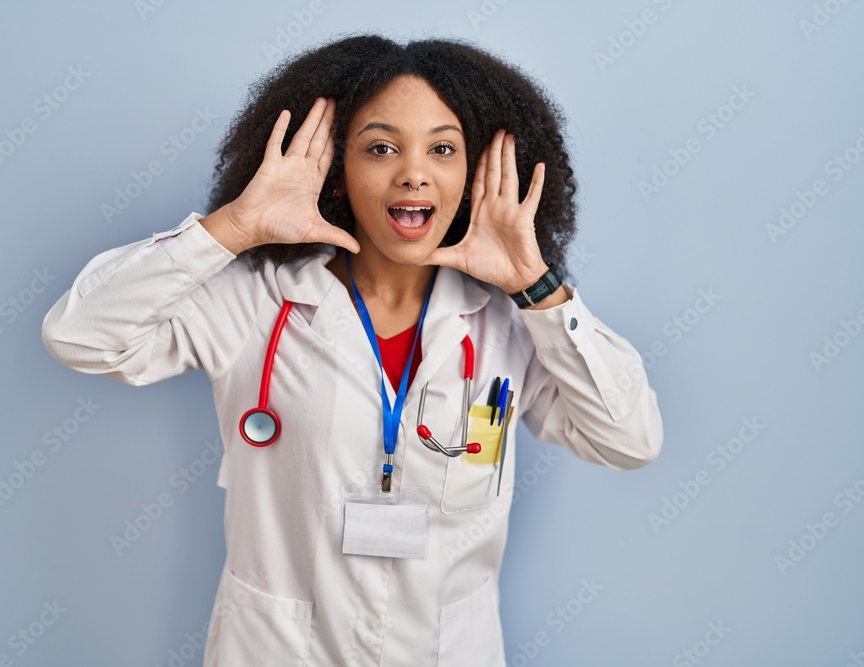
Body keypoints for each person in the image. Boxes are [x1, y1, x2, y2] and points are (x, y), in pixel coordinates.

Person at [41, 33, 663, 667]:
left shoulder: (511, 323)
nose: (413, 172)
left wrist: (539, 288)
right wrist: (234, 226)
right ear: (338, 169)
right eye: (381, 148)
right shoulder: (255, 304)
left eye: (443, 149)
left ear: (476, 175)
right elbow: (79, 335)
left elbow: (629, 439)